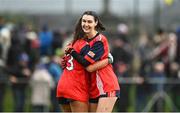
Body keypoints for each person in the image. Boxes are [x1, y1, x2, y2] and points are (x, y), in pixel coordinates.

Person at [64, 11, 120, 112]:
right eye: (84, 21)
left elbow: (88, 67)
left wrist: (109, 60)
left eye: (89, 22)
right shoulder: (82, 42)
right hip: (93, 88)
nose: (86, 24)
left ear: (96, 23)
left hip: (106, 85)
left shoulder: (100, 40)